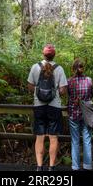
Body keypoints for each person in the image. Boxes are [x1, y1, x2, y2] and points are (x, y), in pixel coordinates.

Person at [27, 43, 68, 171]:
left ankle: (39, 167)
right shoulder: (59, 69)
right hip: (54, 106)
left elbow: (30, 86)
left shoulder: (35, 67)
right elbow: (62, 90)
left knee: (39, 137)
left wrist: (39, 92)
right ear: (54, 55)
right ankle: (51, 167)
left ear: (43, 54)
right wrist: (53, 92)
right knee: (53, 137)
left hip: (39, 106)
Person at [67, 58, 93, 171]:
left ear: (73, 69)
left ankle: (75, 166)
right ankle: (87, 166)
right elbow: (91, 95)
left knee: (75, 140)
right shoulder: (89, 80)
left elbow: (69, 96)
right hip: (86, 113)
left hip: (73, 113)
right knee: (87, 139)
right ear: (83, 68)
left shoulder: (69, 81)